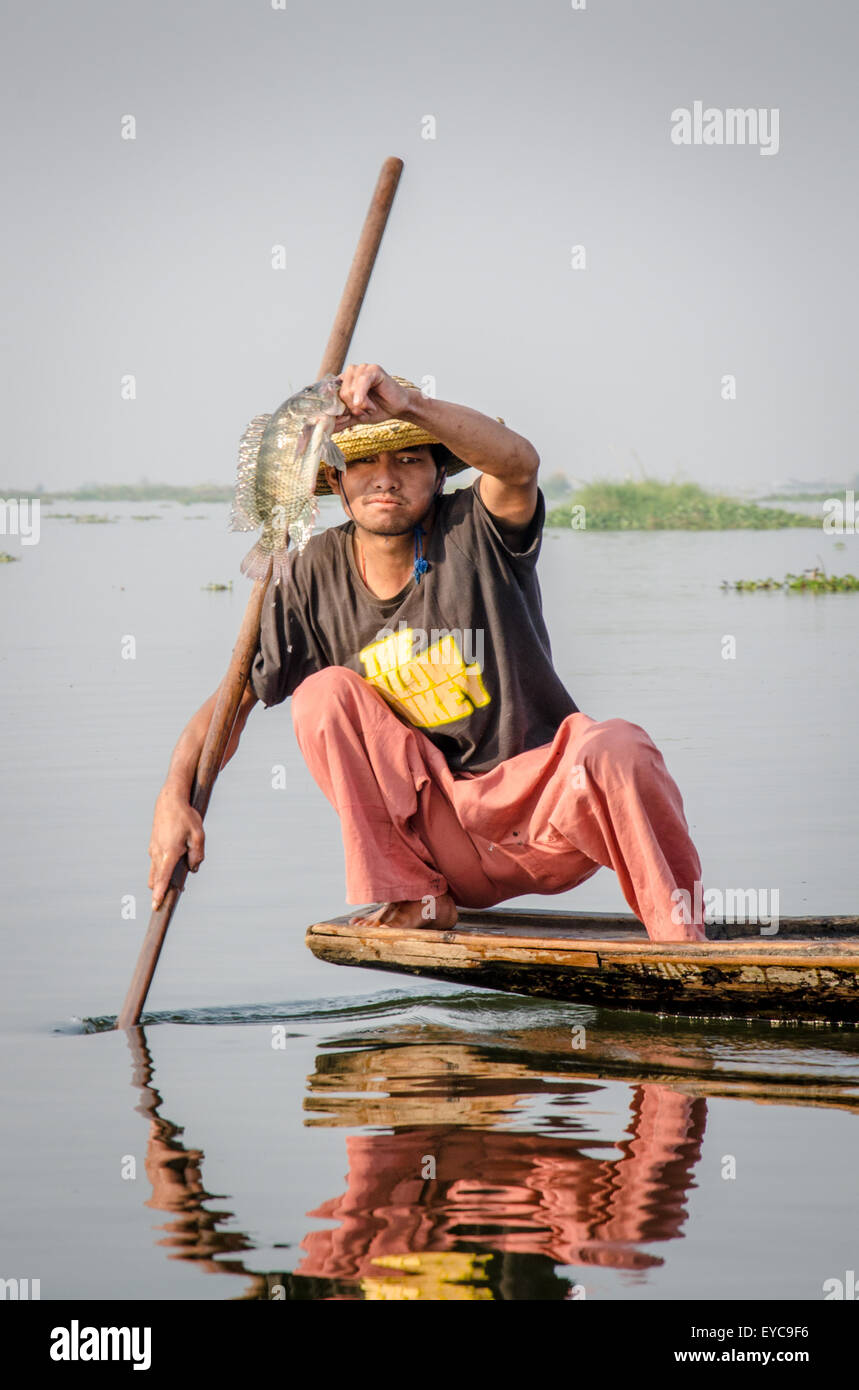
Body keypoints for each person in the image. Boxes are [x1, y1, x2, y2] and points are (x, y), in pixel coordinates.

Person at [148, 364, 705, 942]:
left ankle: (681, 938)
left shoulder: (477, 528)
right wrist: (173, 799)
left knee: (619, 745)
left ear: (440, 475)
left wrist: (408, 405)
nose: (384, 479)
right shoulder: (312, 570)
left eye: (408, 460)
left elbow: (519, 465)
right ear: (337, 483)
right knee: (322, 694)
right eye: (363, 463)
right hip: (443, 841)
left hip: (548, 817)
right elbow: (230, 702)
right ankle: (414, 897)